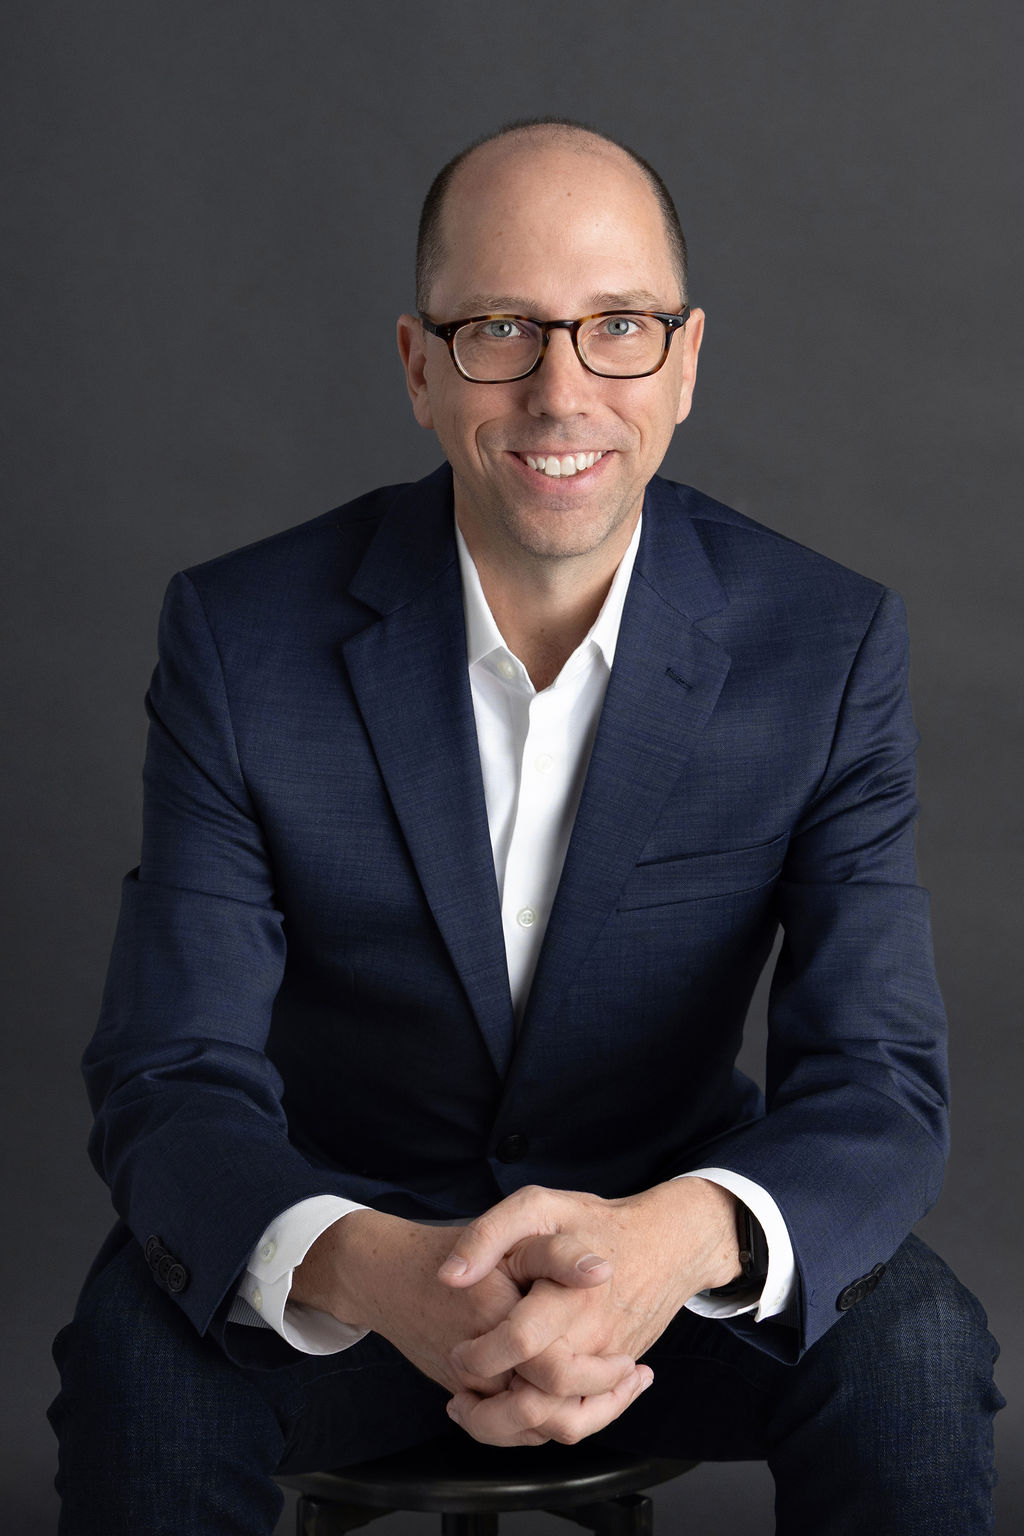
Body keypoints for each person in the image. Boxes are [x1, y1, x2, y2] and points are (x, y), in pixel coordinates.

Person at [50, 117, 1001, 1534]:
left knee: (915, 1348)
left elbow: (879, 1080)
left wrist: (668, 1246)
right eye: (499, 327)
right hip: (356, 1262)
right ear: (418, 366)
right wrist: (376, 1267)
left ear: (685, 363)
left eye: (618, 327)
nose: (562, 391)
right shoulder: (242, 638)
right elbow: (167, 1069)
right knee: (139, 1354)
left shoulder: (827, 642)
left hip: (669, 1269)